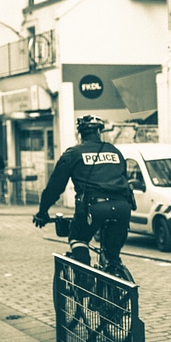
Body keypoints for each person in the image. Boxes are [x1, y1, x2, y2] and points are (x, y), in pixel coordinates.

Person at [33, 114, 135, 273]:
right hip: (122, 207)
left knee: (78, 238)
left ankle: (84, 279)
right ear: (100, 132)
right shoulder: (115, 151)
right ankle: (115, 273)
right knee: (112, 255)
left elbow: (55, 186)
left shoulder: (74, 153)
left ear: (79, 133)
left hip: (92, 207)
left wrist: (42, 211)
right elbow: (124, 178)